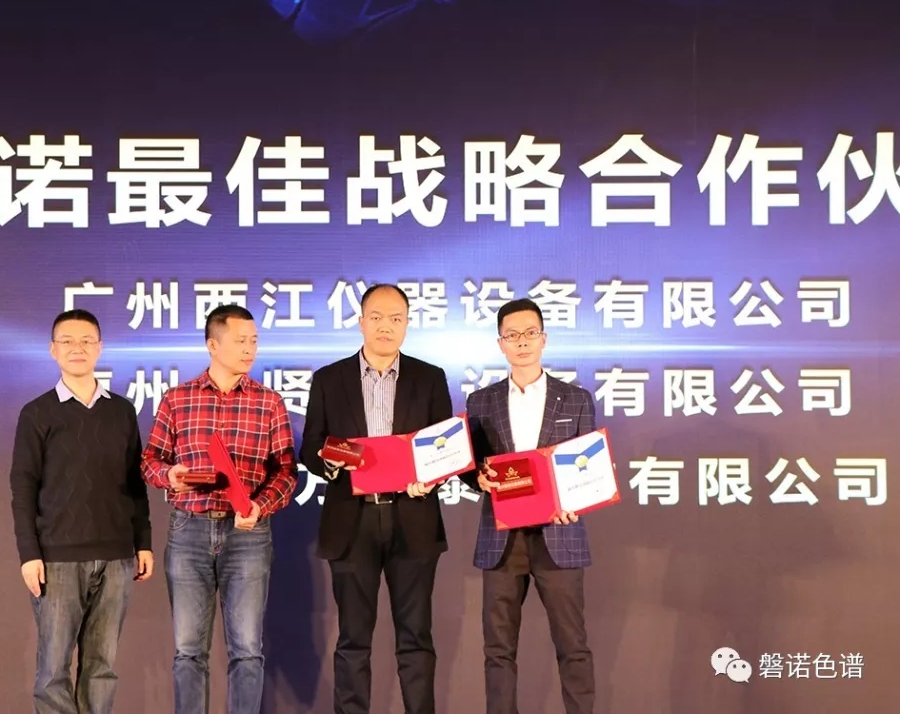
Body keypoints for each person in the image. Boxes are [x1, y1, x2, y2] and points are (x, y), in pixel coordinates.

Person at [300, 283, 453, 714]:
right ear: (361, 321)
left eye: (396, 319)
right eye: (378, 317)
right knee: (353, 639)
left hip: (413, 516)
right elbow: (310, 447)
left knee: (416, 637)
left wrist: (431, 477)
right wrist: (332, 462)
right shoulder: (329, 379)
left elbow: (445, 447)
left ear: (407, 324)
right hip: (352, 520)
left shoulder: (430, 378)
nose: (387, 326)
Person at [141, 304, 298, 714]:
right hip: (189, 530)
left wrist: (260, 506)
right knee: (188, 650)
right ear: (213, 345)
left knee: (247, 649)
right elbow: (150, 460)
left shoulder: (269, 402)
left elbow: (286, 472)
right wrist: (170, 475)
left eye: (254, 341)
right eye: (240, 341)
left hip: (248, 535)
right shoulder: (178, 399)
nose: (249, 349)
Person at [9, 308, 154, 714]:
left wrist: (143, 542)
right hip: (57, 558)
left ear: (100, 348)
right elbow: (23, 487)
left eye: (87, 340)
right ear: (53, 350)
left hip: (117, 558)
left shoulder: (121, 411)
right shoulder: (37, 413)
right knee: (53, 672)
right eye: (68, 341)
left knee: (102, 668)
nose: (78, 348)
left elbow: (135, 481)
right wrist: (29, 554)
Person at [460, 298, 597, 714]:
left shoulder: (575, 399)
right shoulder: (480, 401)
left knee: (573, 645)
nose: (522, 342)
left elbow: (586, 466)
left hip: (559, 534)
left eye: (530, 333)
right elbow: (471, 466)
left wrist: (575, 501)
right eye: (512, 335)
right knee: (498, 650)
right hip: (502, 537)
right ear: (500, 344)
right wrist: (478, 478)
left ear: (544, 339)